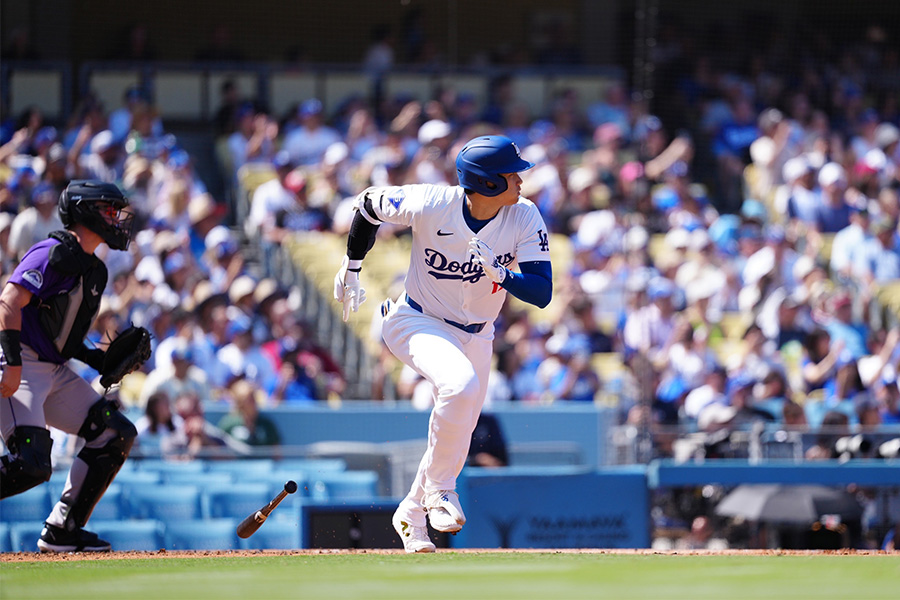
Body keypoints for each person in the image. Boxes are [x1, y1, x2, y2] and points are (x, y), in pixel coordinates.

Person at [334, 135, 552, 553]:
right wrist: (352, 265)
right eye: (512, 173)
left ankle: (412, 515)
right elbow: (367, 204)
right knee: (461, 387)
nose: (521, 179)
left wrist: (503, 275)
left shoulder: (524, 215)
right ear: (488, 184)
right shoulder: (432, 201)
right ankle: (439, 493)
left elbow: (542, 291)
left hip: (478, 333)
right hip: (416, 319)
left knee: (459, 430)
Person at [0, 180, 137, 552]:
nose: (117, 218)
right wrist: (10, 362)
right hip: (21, 360)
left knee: (114, 433)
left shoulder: (95, 270)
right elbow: (8, 301)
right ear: (84, 210)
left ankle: (63, 530)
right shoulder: (52, 252)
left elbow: (65, 337)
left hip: (51, 366)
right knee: (30, 463)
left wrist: (100, 360)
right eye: (109, 210)